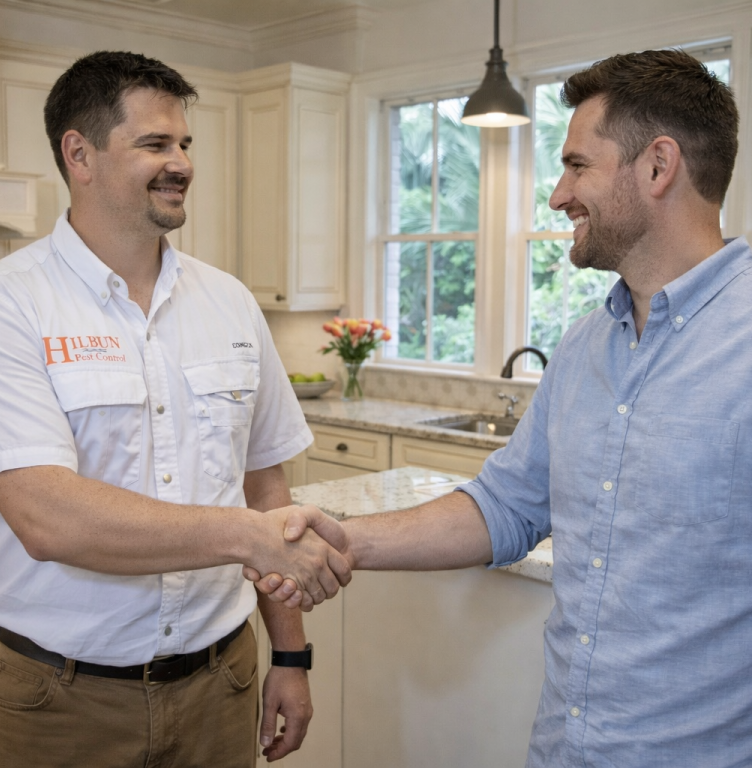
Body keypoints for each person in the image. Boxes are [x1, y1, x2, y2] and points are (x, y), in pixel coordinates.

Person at [252, 49, 751, 767]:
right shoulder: (585, 345)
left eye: (578, 165)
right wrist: (344, 541)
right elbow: (506, 507)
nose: (557, 194)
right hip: (564, 749)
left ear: (658, 165)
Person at [0, 50, 351, 767]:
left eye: (185, 143)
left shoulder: (231, 303)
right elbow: (43, 516)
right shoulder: (5, 306)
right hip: (58, 702)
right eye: (155, 143)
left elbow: (266, 487)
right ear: (79, 154)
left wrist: (291, 655)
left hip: (223, 684)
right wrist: (247, 537)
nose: (180, 162)